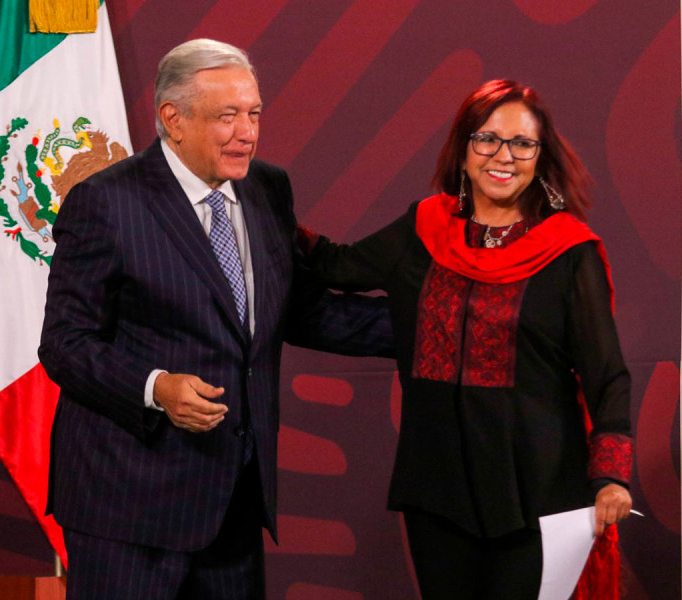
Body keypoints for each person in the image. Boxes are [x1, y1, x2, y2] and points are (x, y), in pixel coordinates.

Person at [38, 39, 392, 600]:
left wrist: (443, 327)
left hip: (234, 500)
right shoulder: (106, 202)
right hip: (128, 508)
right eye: (227, 116)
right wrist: (155, 388)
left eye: (254, 114)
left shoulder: (267, 188)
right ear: (173, 119)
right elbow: (64, 342)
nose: (246, 132)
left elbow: (301, 310)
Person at [297, 79, 633, 599]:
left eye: (522, 143)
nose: (504, 156)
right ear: (464, 147)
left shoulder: (570, 250)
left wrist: (611, 476)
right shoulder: (424, 226)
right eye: (488, 139)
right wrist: (257, 210)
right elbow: (334, 266)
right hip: (437, 491)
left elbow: (606, 375)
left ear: (540, 157)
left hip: (538, 495)